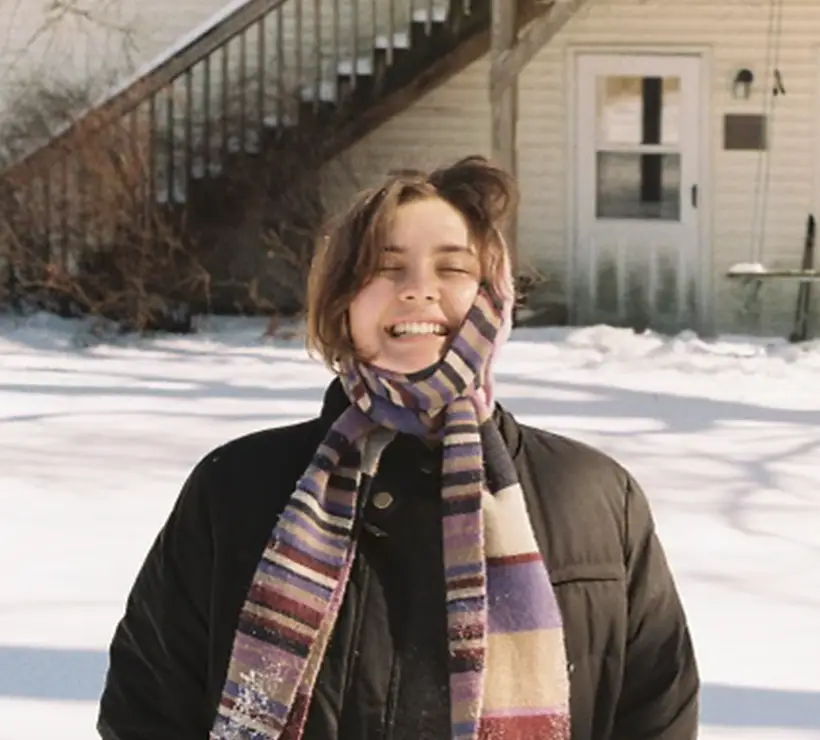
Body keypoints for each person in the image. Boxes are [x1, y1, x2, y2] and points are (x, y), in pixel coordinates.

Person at [97, 156, 699, 740]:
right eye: (386, 268)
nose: (418, 290)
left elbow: (656, 713)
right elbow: (147, 708)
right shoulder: (236, 488)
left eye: (453, 268)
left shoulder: (594, 498)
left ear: (495, 302)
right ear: (342, 304)